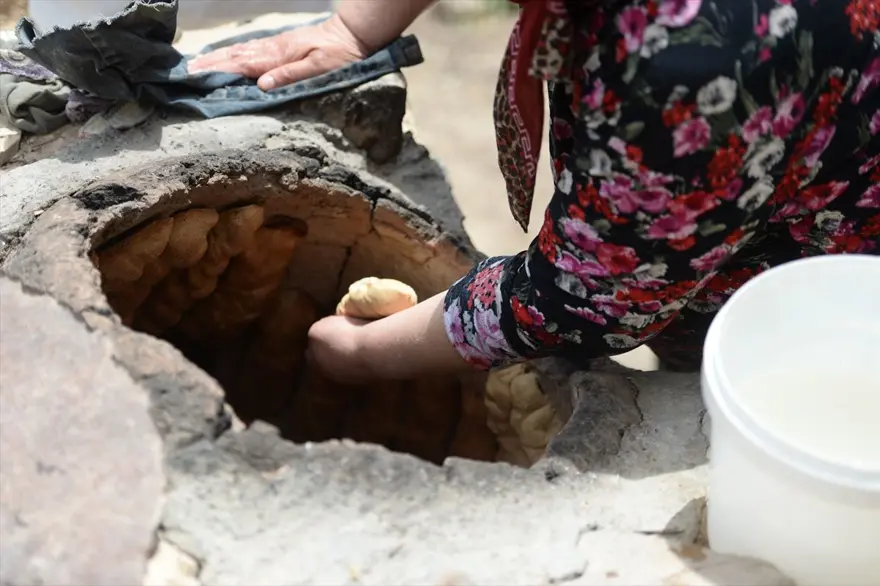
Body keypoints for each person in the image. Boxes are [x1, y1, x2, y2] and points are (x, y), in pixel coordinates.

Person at [190, 0, 880, 383]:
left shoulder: (693, 60)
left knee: (758, 388)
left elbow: (594, 296)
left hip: (818, 261)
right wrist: (356, 25)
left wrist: (368, 357)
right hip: (709, 176)